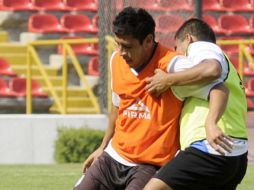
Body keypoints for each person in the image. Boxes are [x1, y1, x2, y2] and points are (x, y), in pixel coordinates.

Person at [74, 8, 230, 190]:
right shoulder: (116, 60)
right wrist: (102, 147)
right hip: (114, 156)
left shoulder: (173, 65)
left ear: (148, 41)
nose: (121, 52)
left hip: (150, 165)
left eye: (127, 46)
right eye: (118, 44)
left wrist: (210, 123)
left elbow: (219, 88)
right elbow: (117, 106)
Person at [143, 18, 248, 190]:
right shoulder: (231, 70)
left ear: (189, 39)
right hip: (236, 156)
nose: (178, 54)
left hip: (210, 148)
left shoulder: (202, 47)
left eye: (178, 48)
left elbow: (212, 69)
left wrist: (167, 79)